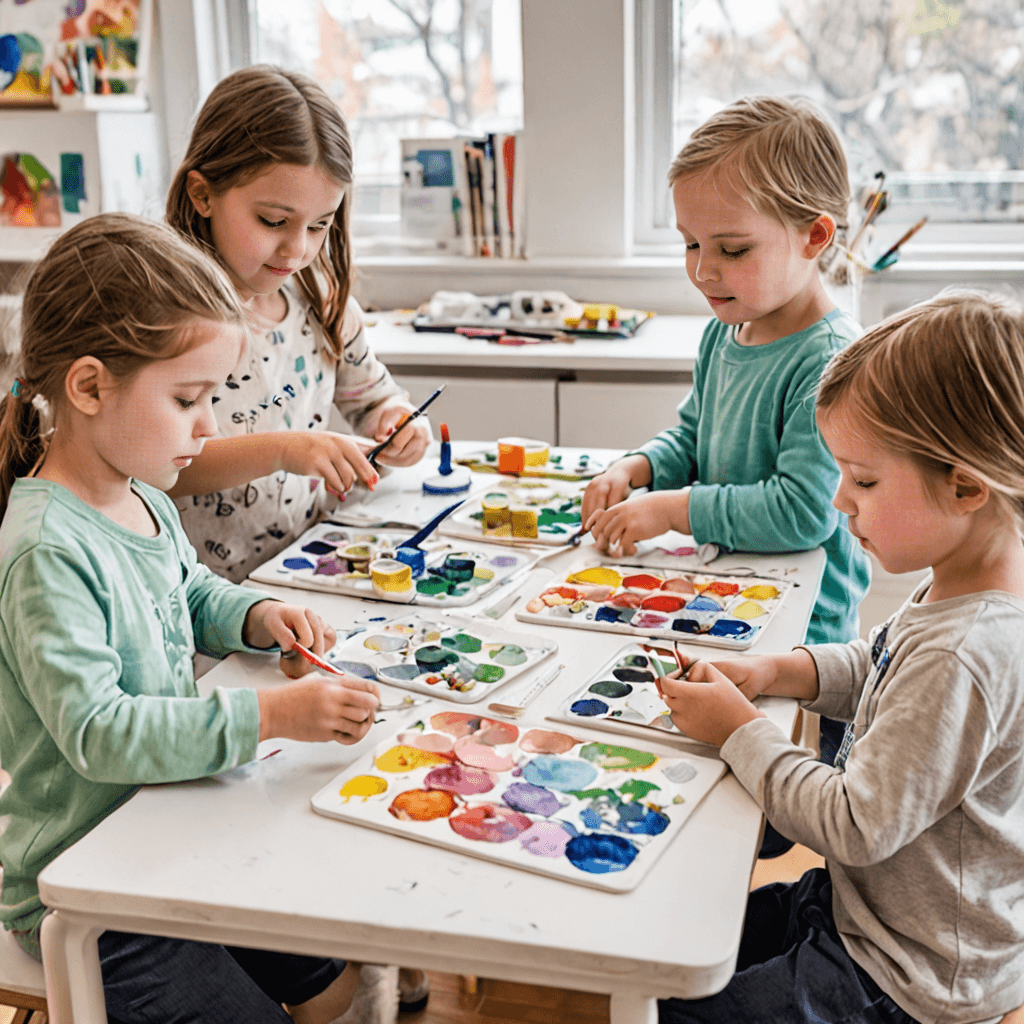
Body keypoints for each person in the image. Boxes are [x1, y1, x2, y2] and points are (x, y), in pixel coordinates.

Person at [0, 214, 384, 1024]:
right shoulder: (46, 551)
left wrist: (259, 614)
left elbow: (192, 594)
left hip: (175, 826)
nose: (210, 426)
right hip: (90, 887)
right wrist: (269, 714)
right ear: (90, 386)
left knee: (335, 981)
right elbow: (101, 733)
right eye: (188, 399)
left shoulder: (139, 493)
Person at [658, 290, 1024, 1023]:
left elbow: (854, 823)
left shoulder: (967, 653)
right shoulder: (962, 583)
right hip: (864, 907)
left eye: (863, 481)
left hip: (904, 971)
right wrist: (778, 671)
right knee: (671, 946)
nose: (840, 504)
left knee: (674, 1008)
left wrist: (739, 729)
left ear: (965, 486)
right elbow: (882, 665)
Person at [580, 96, 871, 850]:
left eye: (732, 249)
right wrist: (641, 466)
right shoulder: (726, 328)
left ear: (814, 236)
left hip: (798, 625)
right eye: (689, 245)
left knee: (752, 827)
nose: (704, 270)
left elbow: (800, 512)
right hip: (726, 586)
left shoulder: (826, 355)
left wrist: (674, 510)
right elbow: (693, 433)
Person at [165, 64, 432, 585]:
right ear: (202, 195)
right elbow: (152, 467)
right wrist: (286, 449)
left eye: (320, 225)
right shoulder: (166, 316)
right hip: (205, 607)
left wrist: (398, 423)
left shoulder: (319, 299)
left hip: (307, 578)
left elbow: (372, 400)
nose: (298, 249)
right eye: (273, 221)